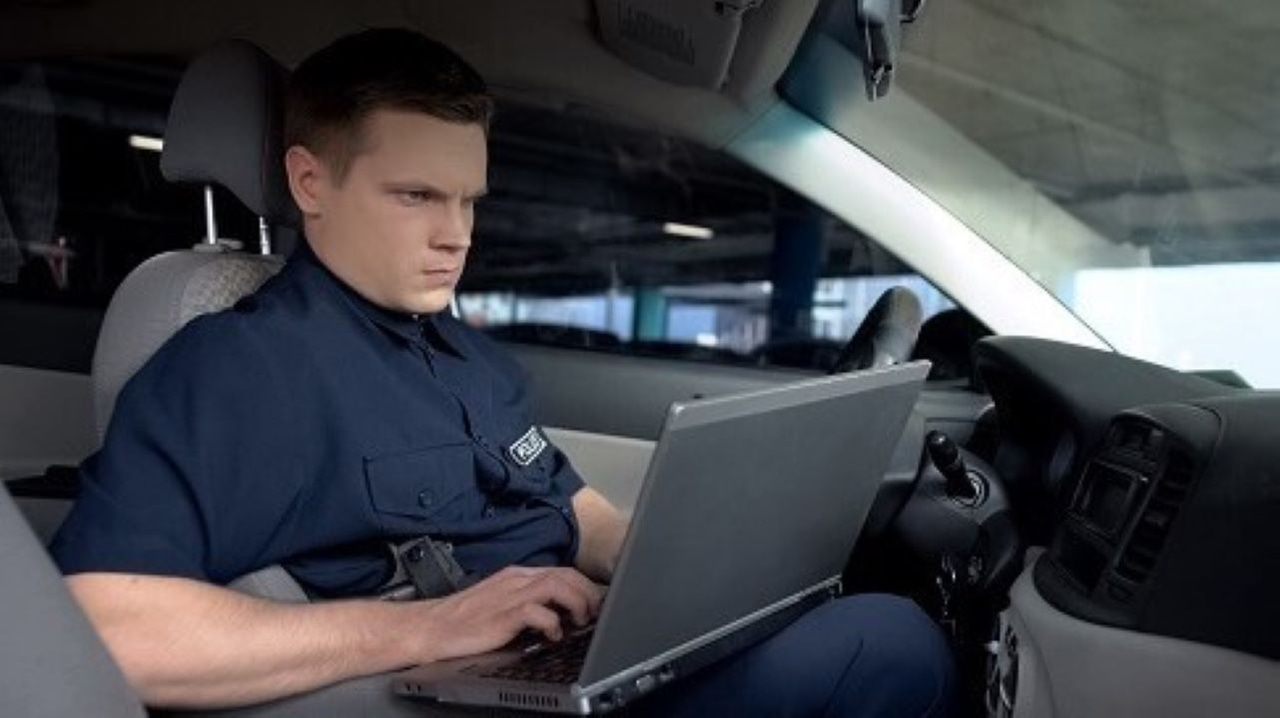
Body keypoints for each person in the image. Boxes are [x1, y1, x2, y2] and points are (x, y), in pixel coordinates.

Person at [50, 29, 956, 716]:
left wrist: (694, 570)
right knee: (886, 642)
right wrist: (430, 628)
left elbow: (572, 510)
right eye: (416, 196)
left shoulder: (460, 352)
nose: (458, 234)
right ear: (310, 182)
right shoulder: (239, 368)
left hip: (571, 659)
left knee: (861, 615)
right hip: (452, 691)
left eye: (469, 200)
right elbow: (101, 624)